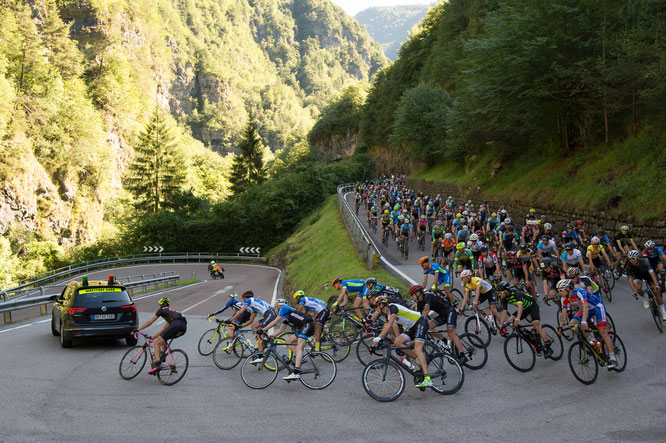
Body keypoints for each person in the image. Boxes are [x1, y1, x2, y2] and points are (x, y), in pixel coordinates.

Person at [371, 297, 432, 388]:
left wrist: (378, 338)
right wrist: (376, 340)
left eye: (376, 306)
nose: (376, 309)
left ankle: (427, 379)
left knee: (417, 349)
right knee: (397, 342)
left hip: (420, 322)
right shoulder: (387, 314)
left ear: (381, 304)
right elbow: (386, 327)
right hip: (412, 327)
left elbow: (390, 324)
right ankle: (417, 358)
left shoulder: (393, 308)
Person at [556, 279, 616, 368]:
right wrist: (560, 326)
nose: (559, 293)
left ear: (568, 288)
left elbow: (585, 306)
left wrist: (584, 321)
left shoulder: (579, 292)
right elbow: (564, 314)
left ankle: (612, 358)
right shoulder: (564, 299)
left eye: (561, 290)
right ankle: (592, 340)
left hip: (597, 307)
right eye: (558, 291)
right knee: (572, 324)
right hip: (586, 310)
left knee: (603, 332)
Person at [259, 299, 315, 381]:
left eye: (276, 307)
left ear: (277, 306)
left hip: (307, 325)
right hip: (303, 326)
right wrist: (270, 336)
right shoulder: (287, 315)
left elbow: (275, 322)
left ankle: (296, 373)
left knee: (299, 347)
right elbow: (280, 330)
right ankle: (300, 357)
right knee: (288, 341)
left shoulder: (284, 308)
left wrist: (263, 330)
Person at [409, 285, 466, 363]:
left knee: (451, 333)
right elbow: (419, 316)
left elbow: (426, 311)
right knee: (428, 327)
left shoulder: (427, 296)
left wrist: (421, 324)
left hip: (450, 311)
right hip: (442, 315)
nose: (412, 297)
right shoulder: (420, 303)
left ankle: (462, 355)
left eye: (412, 295)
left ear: (418, 293)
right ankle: (444, 340)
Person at [496, 281, 553, 359]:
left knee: (536, 324)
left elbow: (520, 306)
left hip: (532, 306)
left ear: (506, 291)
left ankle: (548, 345)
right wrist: (501, 325)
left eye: (500, 293)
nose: (499, 295)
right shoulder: (504, 298)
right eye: (498, 293)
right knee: (510, 322)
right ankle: (528, 333)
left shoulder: (516, 293)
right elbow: (504, 312)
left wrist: (518, 318)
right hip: (524, 309)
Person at [135, 297, 187, 374]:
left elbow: (150, 322)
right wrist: (152, 337)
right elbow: (163, 331)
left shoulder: (162, 310)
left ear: (160, 305)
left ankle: (157, 364)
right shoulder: (172, 314)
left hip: (176, 326)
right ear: (169, 304)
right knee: (163, 339)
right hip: (183, 327)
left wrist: (138, 330)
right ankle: (162, 356)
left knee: (156, 343)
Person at [225, 290, 277, 362]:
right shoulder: (253, 305)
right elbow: (250, 321)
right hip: (270, 315)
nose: (243, 302)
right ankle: (260, 344)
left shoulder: (249, 300)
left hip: (269, 315)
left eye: (243, 300)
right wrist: (241, 326)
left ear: (244, 298)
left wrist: (231, 320)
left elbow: (240, 311)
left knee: (260, 336)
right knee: (254, 326)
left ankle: (260, 356)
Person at [626, 250, 666, 319]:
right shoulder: (629, 266)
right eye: (630, 259)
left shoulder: (645, 261)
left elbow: (652, 273)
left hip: (648, 275)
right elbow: (630, 279)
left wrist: (656, 284)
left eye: (633, 258)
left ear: (638, 257)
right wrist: (633, 291)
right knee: (638, 287)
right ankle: (645, 298)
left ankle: (663, 310)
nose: (631, 260)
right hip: (637, 276)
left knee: (656, 291)